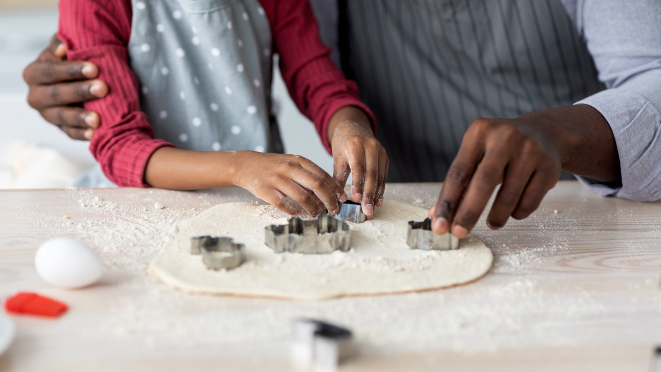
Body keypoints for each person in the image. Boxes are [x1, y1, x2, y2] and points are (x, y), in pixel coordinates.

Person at [24, 0, 661, 237]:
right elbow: (120, 140)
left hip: (571, 221)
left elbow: (320, 79)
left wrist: (563, 132)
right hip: (156, 212)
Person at [31, 0, 388, 219]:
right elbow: (120, 146)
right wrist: (240, 166)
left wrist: (351, 127)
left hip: (258, 199)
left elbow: (318, 80)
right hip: (141, 205)